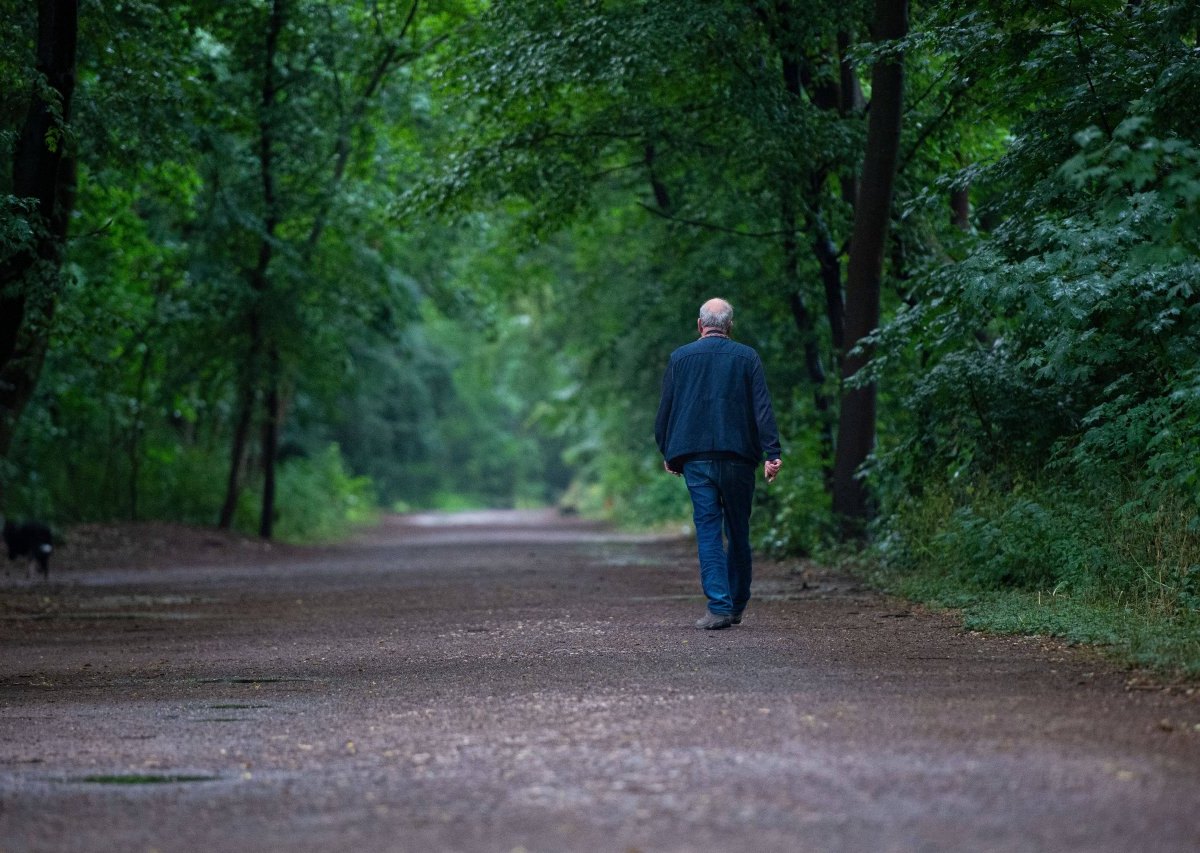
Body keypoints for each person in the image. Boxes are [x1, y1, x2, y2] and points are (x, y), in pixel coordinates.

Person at [655, 298, 782, 630]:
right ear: (730, 326)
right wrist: (772, 453)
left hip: (695, 458)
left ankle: (719, 607)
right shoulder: (747, 357)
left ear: (700, 325)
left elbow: (665, 412)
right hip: (739, 457)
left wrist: (668, 450)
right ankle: (737, 604)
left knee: (709, 531)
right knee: (738, 530)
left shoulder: (680, 359)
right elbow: (762, 409)